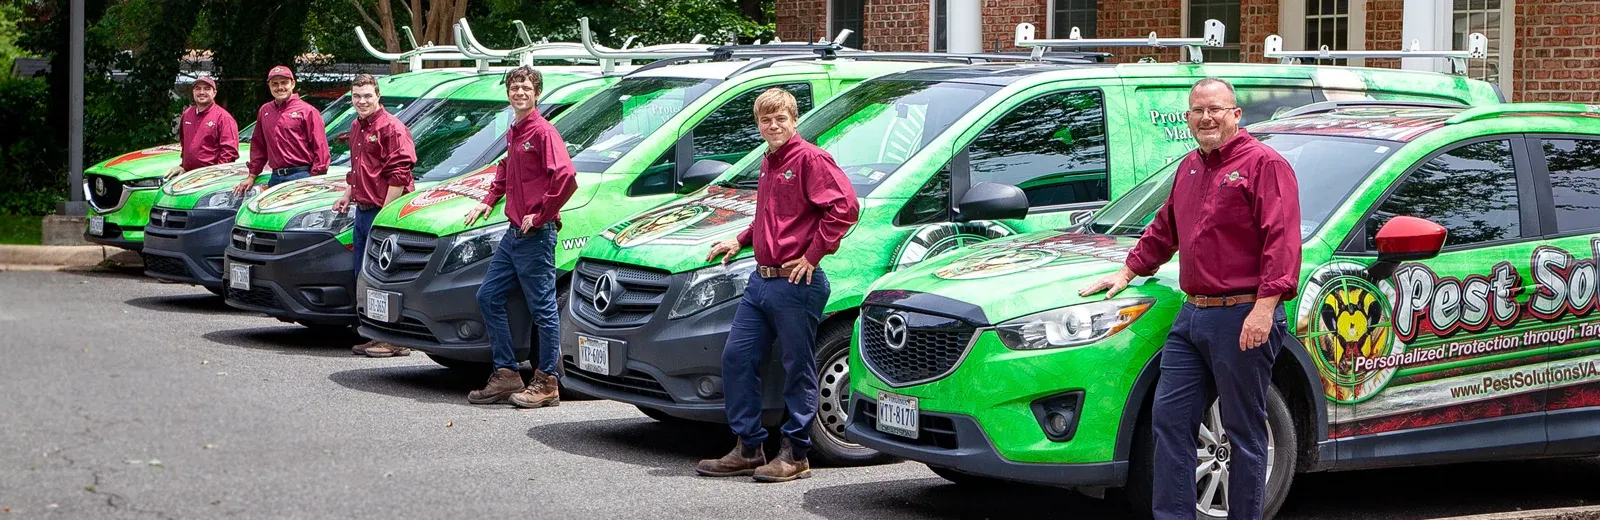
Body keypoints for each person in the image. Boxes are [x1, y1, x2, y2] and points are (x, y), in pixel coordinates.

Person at [1078, 78, 1302, 520]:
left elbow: (1282, 242)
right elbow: (1165, 230)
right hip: (1192, 316)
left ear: (1236, 115)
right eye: (1198, 110)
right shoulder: (1190, 168)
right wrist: (1127, 270)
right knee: (1170, 424)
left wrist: (1264, 307)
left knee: (1243, 433)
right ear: (1187, 118)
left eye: (1216, 109)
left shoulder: (1265, 166)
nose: (1206, 117)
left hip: (1243, 315)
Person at [694, 88, 860, 483]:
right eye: (766, 120)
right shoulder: (770, 161)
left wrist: (813, 255)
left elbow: (845, 207)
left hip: (796, 284)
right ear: (759, 125)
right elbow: (773, 216)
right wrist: (740, 239)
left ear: (794, 120)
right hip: (761, 281)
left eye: (780, 118)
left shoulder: (810, 158)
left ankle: (795, 453)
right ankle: (749, 447)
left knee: (797, 368)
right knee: (737, 358)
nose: (773, 126)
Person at [464, 66, 576, 409]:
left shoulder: (543, 132)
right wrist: (488, 200)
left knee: (543, 309)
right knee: (488, 296)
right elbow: (505, 169)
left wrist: (541, 213)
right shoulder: (516, 130)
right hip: (513, 236)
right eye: (514, 87)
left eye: (526, 87)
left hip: (536, 237)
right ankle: (507, 374)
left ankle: (546, 382)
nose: (519, 92)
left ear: (537, 93)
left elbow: (566, 177)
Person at [333, 74, 417, 358]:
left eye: (367, 95)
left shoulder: (391, 127)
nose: (362, 101)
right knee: (364, 276)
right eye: (357, 96)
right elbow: (359, 168)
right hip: (362, 211)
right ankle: (376, 334)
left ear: (378, 96)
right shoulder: (357, 126)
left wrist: (386, 214)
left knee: (386, 278)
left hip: (384, 215)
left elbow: (400, 172)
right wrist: (347, 194)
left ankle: (396, 339)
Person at [233, 65, 331, 197]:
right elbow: (258, 146)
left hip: (302, 176)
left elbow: (321, 148)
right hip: (275, 177)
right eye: (275, 84)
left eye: (284, 82)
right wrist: (252, 176)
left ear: (293, 83)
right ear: (269, 86)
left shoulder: (308, 111)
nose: (280, 87)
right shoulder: (265, 111)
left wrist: (314, 179)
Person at [166, 75, 240, 181]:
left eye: (206, 88)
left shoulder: (223, 118)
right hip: (188, 176)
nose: (201, 92)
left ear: (214, 93)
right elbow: (185, 144)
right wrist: (183, 166)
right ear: (193, 92)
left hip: (210, 178)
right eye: (198, 88)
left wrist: (216, 174)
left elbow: (230, 151)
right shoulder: (187, 114)